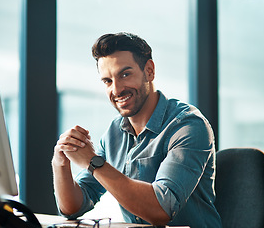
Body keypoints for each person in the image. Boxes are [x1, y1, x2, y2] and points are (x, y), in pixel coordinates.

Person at [51, 32, 222, 228]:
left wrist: (92, 162)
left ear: (149, 71)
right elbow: (73, 208)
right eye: (107, 81)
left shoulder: (188, 126)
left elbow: (162, 209)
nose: (116, 90)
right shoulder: (114, 132)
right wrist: (60, 162)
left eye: (125, 74)